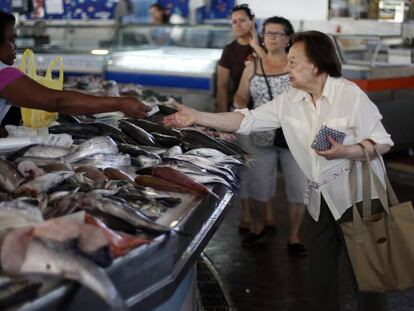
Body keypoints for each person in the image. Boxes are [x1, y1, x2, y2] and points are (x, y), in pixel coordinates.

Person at [164, 30, 392, 311]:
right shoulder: (289, 101)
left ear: (316, 65)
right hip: (320, 201)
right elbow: (246, 120)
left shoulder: (350, 95)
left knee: (369, 279)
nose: (287, 68)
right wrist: (197, 116)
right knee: (320, 277)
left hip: (359, 198)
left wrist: (347, 151)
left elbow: (382, 142)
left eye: (294, 62)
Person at [233, 16, 307, 253]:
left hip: (295, 137)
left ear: (288, 38)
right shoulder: (253, 66)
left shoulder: (299, 65)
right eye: (268, 33)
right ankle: (257, 227)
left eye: (277, 34)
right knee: (258, 185)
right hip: (260, 135)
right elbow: (240, 96)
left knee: (298, 189)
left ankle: (294, 237)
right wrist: (244, 112)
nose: (271, 38)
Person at [0, 11, 149, 126]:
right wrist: (119, 103)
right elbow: (57, 101)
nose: (16, 46)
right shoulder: (3, 74)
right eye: (11, 40)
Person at [217, 4, 265, 233]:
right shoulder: (229, 50)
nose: (237, 25)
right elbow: (223, 87)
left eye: (242, 20)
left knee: (266, 166)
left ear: (253, 21)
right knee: (246, 164)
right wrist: (219, 120)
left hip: (268, 116)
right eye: (234, 21)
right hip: (241, 116)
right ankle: (246, 211)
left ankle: (268, 212)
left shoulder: (265, 45)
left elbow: (278, 70)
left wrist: (258, 47)